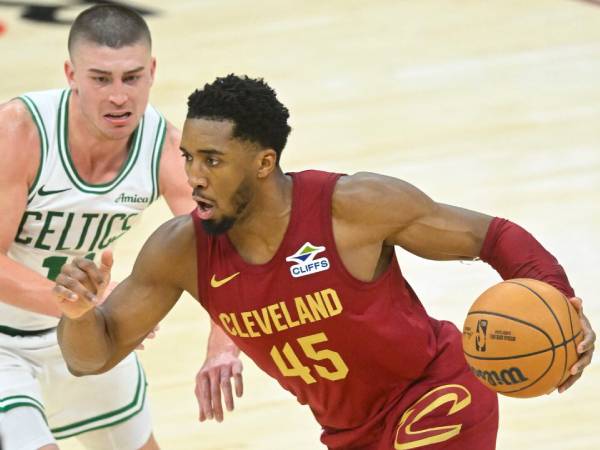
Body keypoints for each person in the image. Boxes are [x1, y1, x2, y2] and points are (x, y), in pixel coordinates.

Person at [53, 74, 596, 450]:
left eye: (213, 160)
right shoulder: (181, 250)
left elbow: (493, 237)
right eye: (188, 158)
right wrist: (77, 312)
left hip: (436, 394)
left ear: (264, 162)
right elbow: (92, 357)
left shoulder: (353, 206)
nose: (194, 175)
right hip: (350, 432)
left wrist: (559, 308)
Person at [0, 6, 242, 450]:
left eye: (131, 78)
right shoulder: (19, 131)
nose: (118, 97)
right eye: (100, 79)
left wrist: (224, 343)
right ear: (71, 74)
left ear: (151, 72)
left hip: (85, 333)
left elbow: (220, 251)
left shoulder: (166, 148)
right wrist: (84, 307)